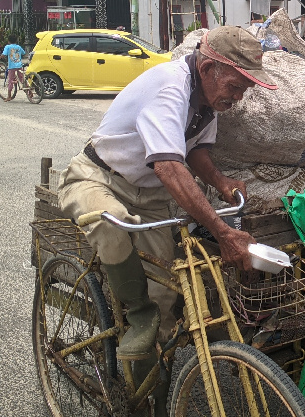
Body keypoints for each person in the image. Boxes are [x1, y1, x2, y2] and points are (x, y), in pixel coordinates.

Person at [57, 25, 278, 364]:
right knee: (115, 226)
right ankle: (139, 316)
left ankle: (151, 392)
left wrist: (221, 181)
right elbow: (169, 167)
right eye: (235, 86)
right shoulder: (169, 87)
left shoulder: (207, 101)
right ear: (207, 69)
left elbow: (195, 151)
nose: (238, 98)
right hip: (98, 177)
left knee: (163, 291)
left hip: (150, 197)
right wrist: (224, 233)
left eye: (244, 90)